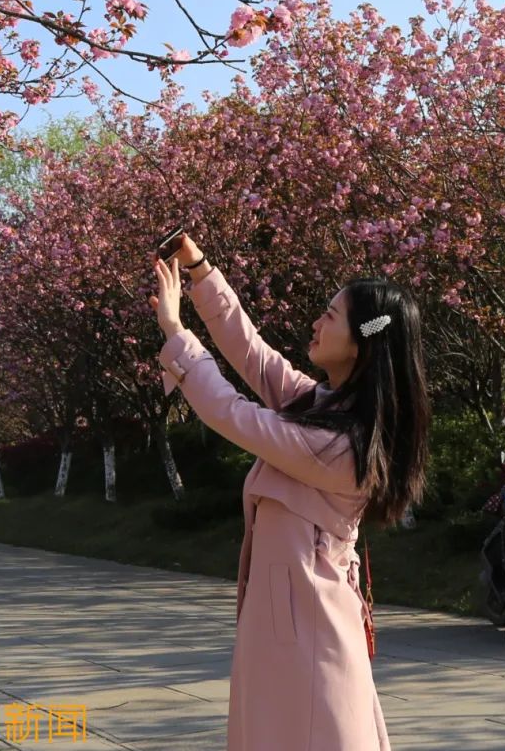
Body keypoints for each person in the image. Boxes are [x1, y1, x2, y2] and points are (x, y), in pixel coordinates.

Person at [151, 233, 430, 751]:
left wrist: (174, 331)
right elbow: (252, 353)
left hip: (310, 636)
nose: (316, 323)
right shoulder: (322, 405)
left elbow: (235, 415)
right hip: (288, 624)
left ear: (364, 340)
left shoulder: (343, 446)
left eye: (330, 315)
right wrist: (200, 270)